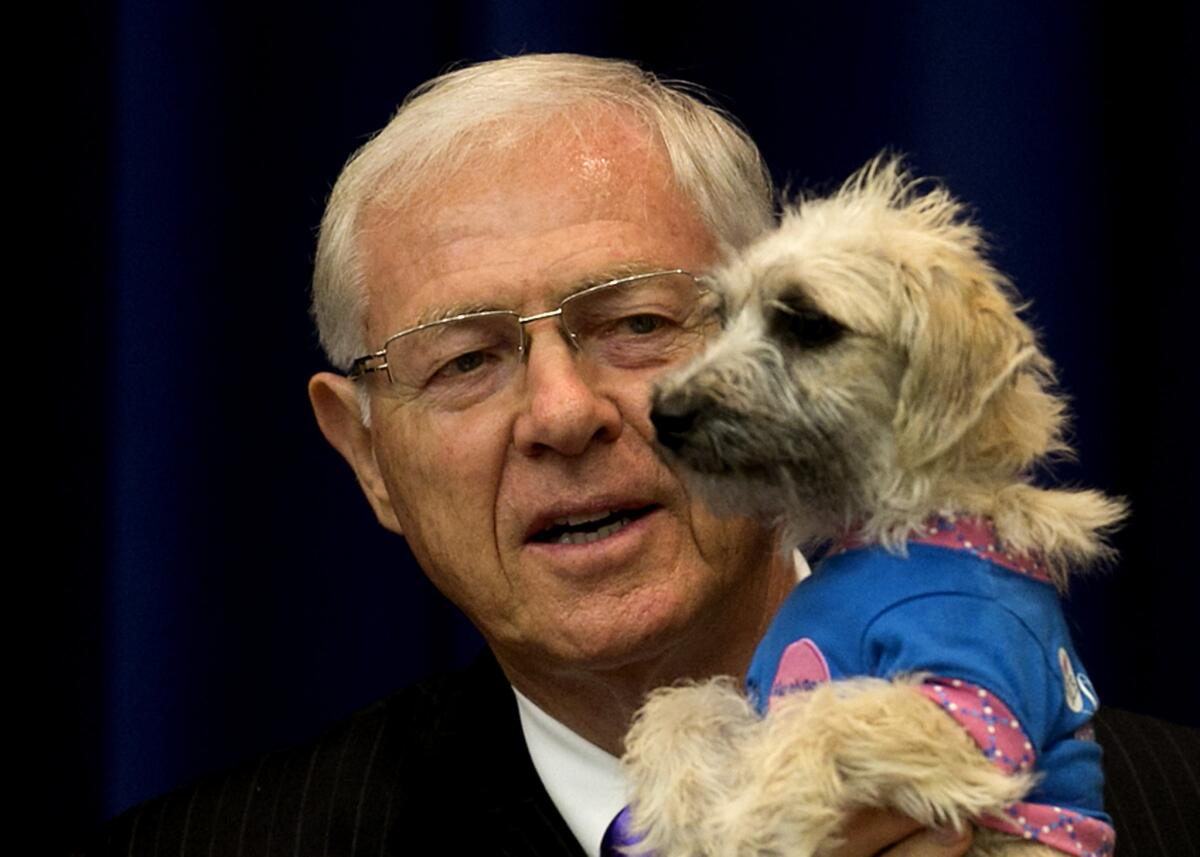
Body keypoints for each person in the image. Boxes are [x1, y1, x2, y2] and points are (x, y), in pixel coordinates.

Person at [84, 54, 1197, 857]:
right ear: (367, 454)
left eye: (640, 324)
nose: (564, 412)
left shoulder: (1172, 808)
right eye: (466, 358)